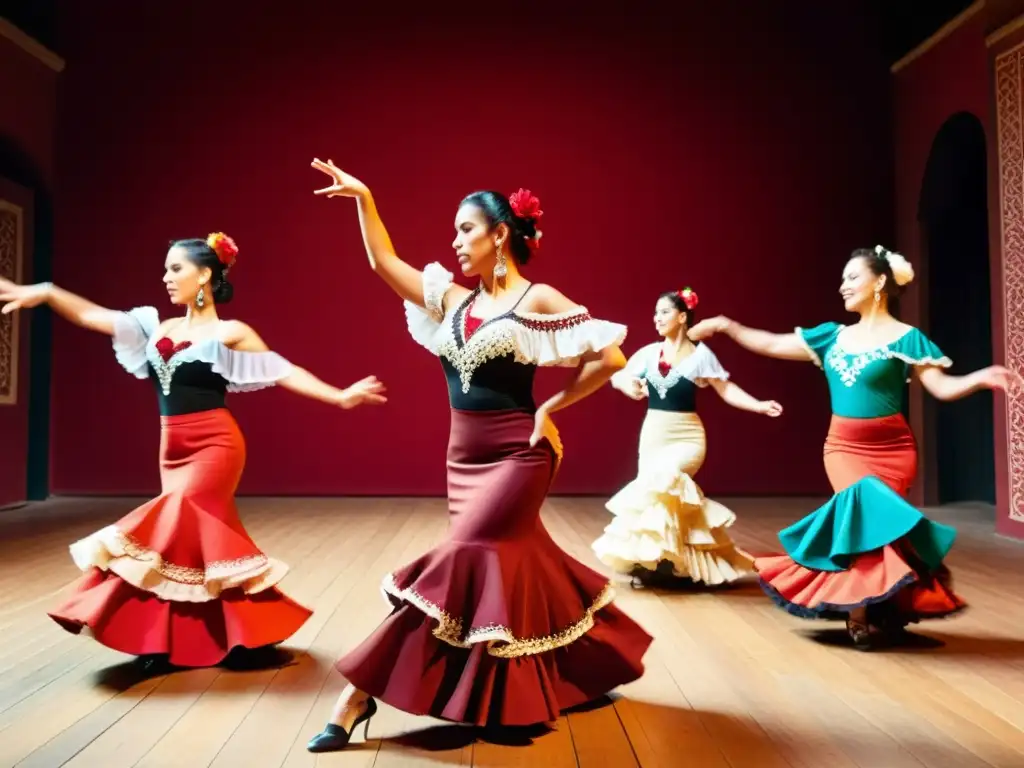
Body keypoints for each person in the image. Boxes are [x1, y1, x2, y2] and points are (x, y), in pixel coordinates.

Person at [304, 159, 653, 752]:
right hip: (462, 460)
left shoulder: (536, 297)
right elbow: (382, 263)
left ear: (499, 236)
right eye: (455, 230)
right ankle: (582, 669)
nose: (455, 241)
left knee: (467, 557)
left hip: (520, 453)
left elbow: (612, 358)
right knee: (511, 563)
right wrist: (365, 197)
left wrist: (550, 410)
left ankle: (357, 696)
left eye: (466, 229)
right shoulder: (454, 303)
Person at [0, 233, 387, 668]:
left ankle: (165, 640)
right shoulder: (156, 327)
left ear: (204, 274)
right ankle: (239, 636)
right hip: (172, 448)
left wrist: (339, 396)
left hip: (215, 445)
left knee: (174, 518)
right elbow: (93, 316)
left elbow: (283, 370)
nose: (166, 277)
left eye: (175, 268)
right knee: (190, 547)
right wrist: (47, 292)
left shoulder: (230, 333)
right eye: (165, 269)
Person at [688, 245, 1020, 648]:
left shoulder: (907, 338)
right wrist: (726, 325)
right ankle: (859, 611)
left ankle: (884, 606)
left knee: (880, 533)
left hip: (894, 450)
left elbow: (941, 386)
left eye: (852, 278)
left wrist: (979, 379)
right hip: (843, 449)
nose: (843, 286)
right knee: (862, 510)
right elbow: (773, 344)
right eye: (842, 279)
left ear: (879, 282)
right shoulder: (832, 337)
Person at [592, 287, 782, 587]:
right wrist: (627, 385)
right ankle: (659, 563)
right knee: (656, 497)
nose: (657, 318)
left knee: (668, 480)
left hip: (687, 436)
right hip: (654, 434)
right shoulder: (649, 353)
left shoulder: (701, 356)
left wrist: (759, 405)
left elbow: (725, 388)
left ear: (682, 317)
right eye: (655, 313)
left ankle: (675, 563)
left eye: (664, 312)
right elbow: (619, 375)